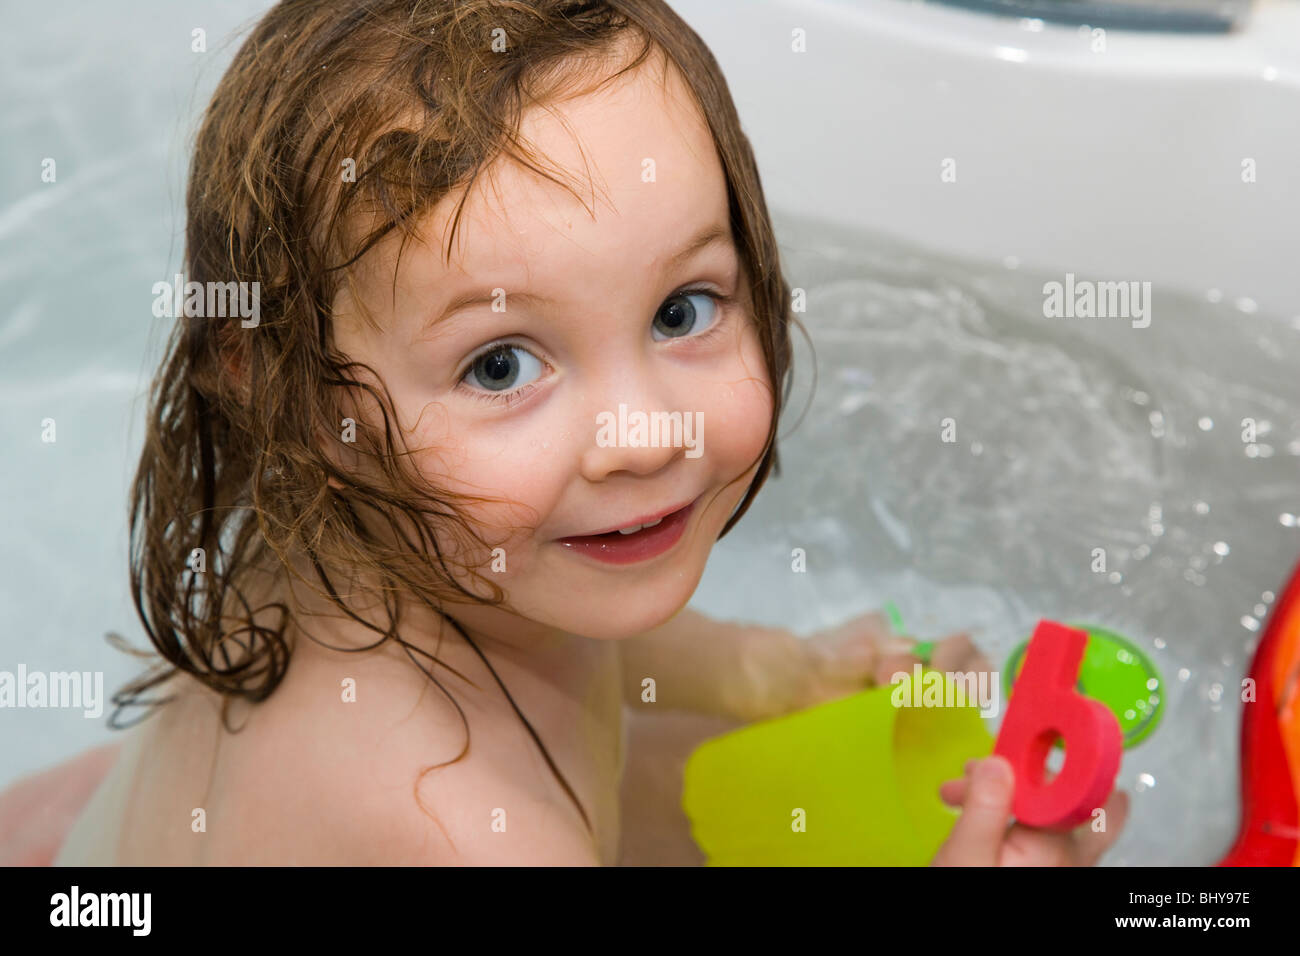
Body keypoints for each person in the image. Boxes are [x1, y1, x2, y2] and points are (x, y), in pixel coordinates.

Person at [4, 0, 1124, 866]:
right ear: (298, 404)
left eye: (683, 309)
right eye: (501, 364)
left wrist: (773, 669)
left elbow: (568, 643)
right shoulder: (471, 830)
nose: (640, 436)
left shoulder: (388, 525)